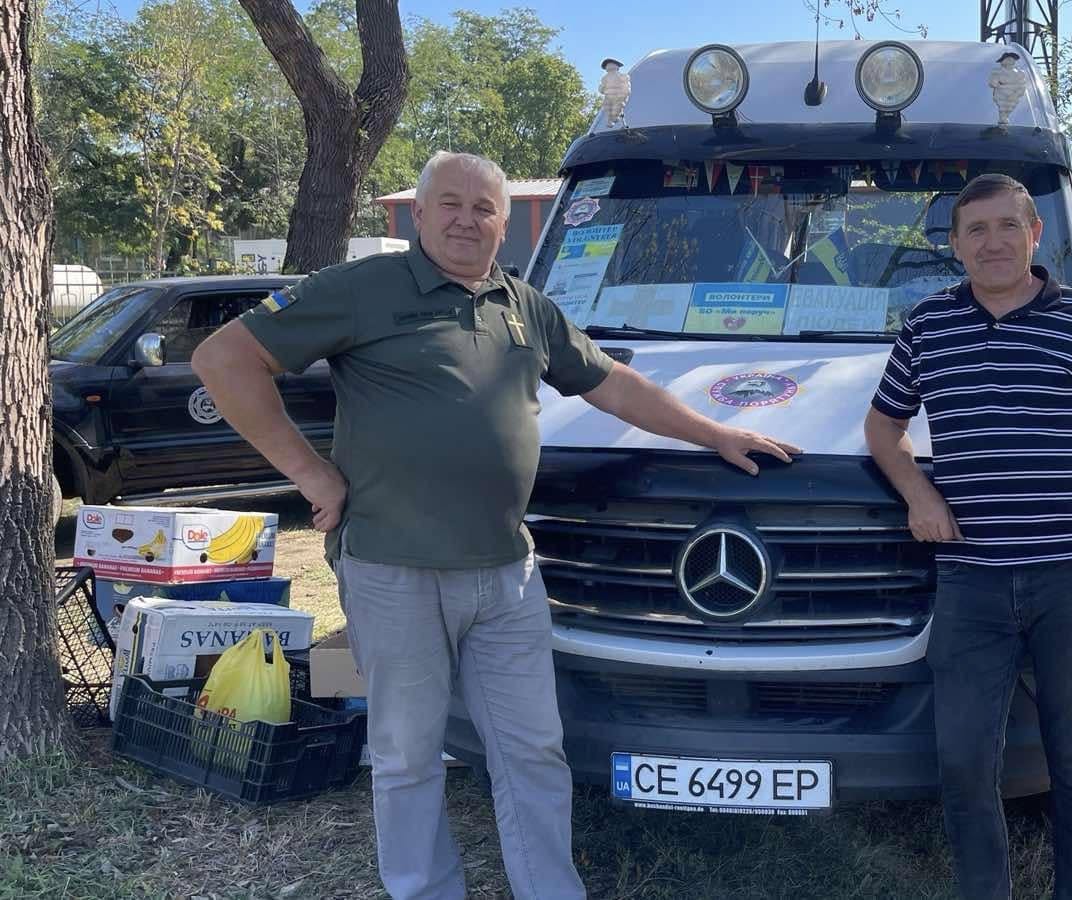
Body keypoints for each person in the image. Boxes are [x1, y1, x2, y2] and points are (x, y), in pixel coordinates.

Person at [192, 151, 801, 900]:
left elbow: (612, 383)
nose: (465, 220)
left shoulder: (525, 305)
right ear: (420, 214)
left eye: (483, 208)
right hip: (394, 568)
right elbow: (224, 359)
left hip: (507, 574)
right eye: (449, 203)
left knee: (534, 750)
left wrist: (714, 433)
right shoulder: (362, 288)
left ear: (504, 225)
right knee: (407, 754)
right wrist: (311, 474)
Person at [863, 173, 1072, 900]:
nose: (992, 241)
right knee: (964, 764)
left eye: (1007, 226)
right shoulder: (928, 325)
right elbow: (883, 426)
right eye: (976, 229)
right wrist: (919, 493)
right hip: (971, 580)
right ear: (956, 244)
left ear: (1035, 234)